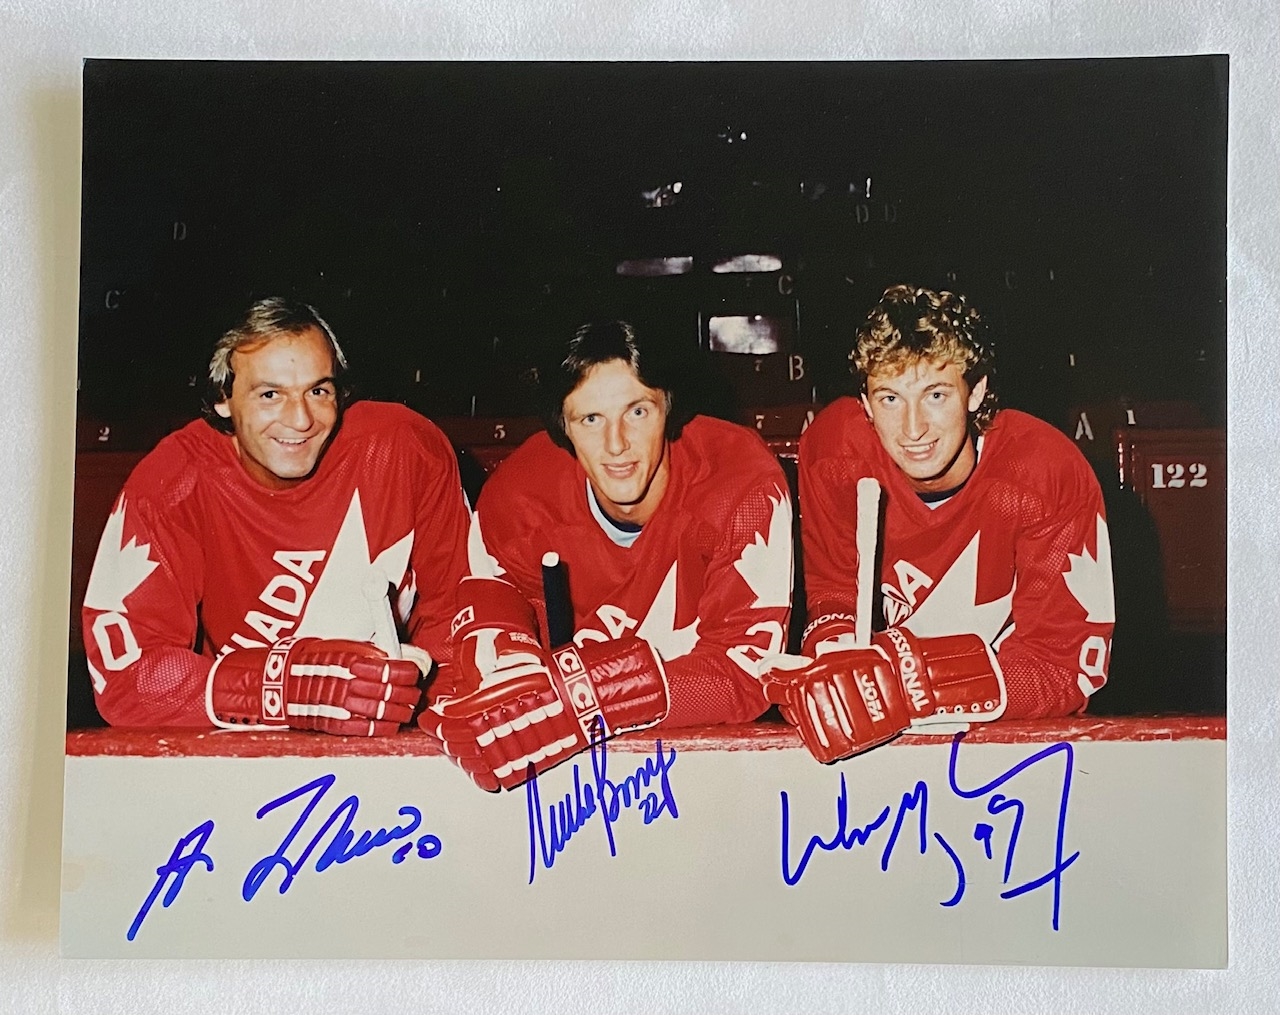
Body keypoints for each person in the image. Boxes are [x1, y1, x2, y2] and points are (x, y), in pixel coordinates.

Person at [423, 319, 794, 790]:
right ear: (564, 426)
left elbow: (747, 672)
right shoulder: (518, 499)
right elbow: (481, 648)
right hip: (566, 784)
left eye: (637, 412)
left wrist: (592, 697)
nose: (616, 444)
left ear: (668, 408)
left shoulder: (739, 483)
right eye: (590, 419)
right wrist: (497, 675)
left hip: (699, 772)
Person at [82, 297, 472, 735]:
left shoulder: (402, 448)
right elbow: (126, 678)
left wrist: (444, 694)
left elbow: (456, 607)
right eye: (271, 394)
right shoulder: (173, 482)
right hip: (245, 746)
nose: (301, 419)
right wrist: (285, 687)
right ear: (223, 399)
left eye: (318, 391)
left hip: (387, 734)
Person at [761, 283, 1115, 764]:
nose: (913, 429)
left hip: (1010, 753)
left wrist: (910, 683)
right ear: (865, 404)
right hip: (879, 742)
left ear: (977, 393)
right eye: (889, 398)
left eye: (935, 394)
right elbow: (834, 596)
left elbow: (1063, 666)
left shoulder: (1044, 472)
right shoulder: (836, 451)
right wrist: (833, 657)